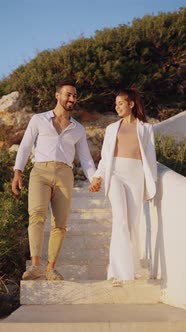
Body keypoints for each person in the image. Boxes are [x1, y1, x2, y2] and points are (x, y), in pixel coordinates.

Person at [12, 79, 98, 281]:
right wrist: (18, 171)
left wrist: (93, 179)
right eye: (68, 94)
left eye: (74, 95)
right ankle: (35, 266)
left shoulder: (78, 128)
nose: (72, 98)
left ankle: (50, 268)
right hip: (40, 172)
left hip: (64, 174)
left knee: (60, 223)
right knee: (37, 215)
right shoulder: (39, 120)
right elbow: (25, 146)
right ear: (57, 95)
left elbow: (85, 158)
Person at [89, 87, 157, 286]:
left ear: (131, 104)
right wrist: (97, 176)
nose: (116, 106)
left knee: (132, 223)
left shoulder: (146, 128)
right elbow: (105, 157)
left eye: (120, 103)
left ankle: (132, 269)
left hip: (136, 176)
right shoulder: (112, 128)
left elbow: (151, 159)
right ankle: (117, 273)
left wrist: (151, 186)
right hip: (116, 174)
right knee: (120, 220)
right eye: (116, 103)